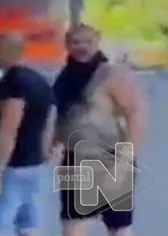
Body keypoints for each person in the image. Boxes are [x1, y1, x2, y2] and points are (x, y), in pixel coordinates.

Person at [52, 24, 146, 236]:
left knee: (118, 227)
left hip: (110, 157)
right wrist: (55, 142)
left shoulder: (111, 74)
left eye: (87, 41)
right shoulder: (65, 77)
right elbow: (64, 114)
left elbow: (136, 114)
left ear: (97, 41)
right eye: (76, 42)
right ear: (67, 44)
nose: (81, 47)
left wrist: (125, 160)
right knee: (72, 221)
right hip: (75, 158)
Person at [0, 32, 55, 236]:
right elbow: (49, 119)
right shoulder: (40, 80)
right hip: (35, 164)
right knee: (28, 224)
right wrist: (46, 150)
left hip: (12, 166)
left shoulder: (13, 83)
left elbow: (8, 130)